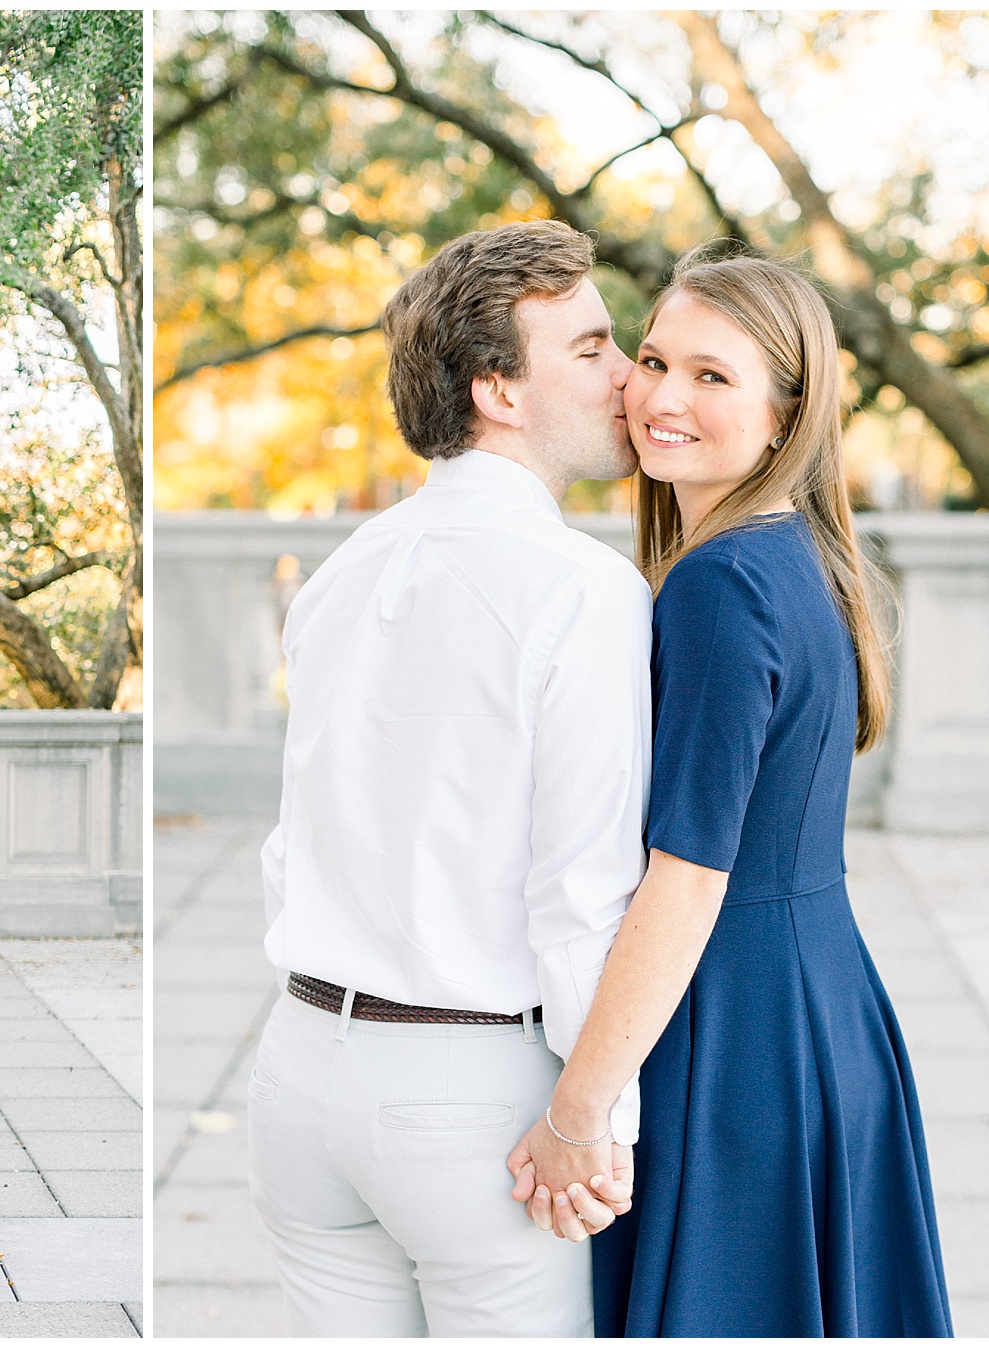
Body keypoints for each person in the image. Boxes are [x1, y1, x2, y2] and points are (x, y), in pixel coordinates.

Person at [507, 248, 953, 1337]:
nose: (661, 396)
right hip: (824, 1004)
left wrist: (577, 1112)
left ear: (787, 409)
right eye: (653, 359)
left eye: (714, 376)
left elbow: (689, 877)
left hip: (733, 1031)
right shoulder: (795, 555)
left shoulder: (720, 584)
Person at [247, 218, 645, 1337]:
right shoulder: (584, 590)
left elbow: (294, 848)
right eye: (592, 349)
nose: (628, 376)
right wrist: (597, 1116)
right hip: (472, 1102)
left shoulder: (339, 572)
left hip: (299, 1074)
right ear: (499, 392)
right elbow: (583, 898)